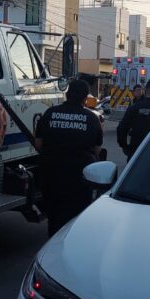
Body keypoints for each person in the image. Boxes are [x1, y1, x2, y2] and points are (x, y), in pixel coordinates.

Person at [35, 78, 103, 237]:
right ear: (85, 98)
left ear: (67, 94)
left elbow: (39, 143)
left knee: (54, 218)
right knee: (75, 219)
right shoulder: (91, 118)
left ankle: (52, 246)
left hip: (51, 175)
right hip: (79, 179)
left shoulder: (50, 113)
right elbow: (97, 150)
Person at [117, 78, 150, 160]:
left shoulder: (133, 108)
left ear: (145, 91)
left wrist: (124, 146)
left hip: (136, 152)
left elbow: (121, 128)